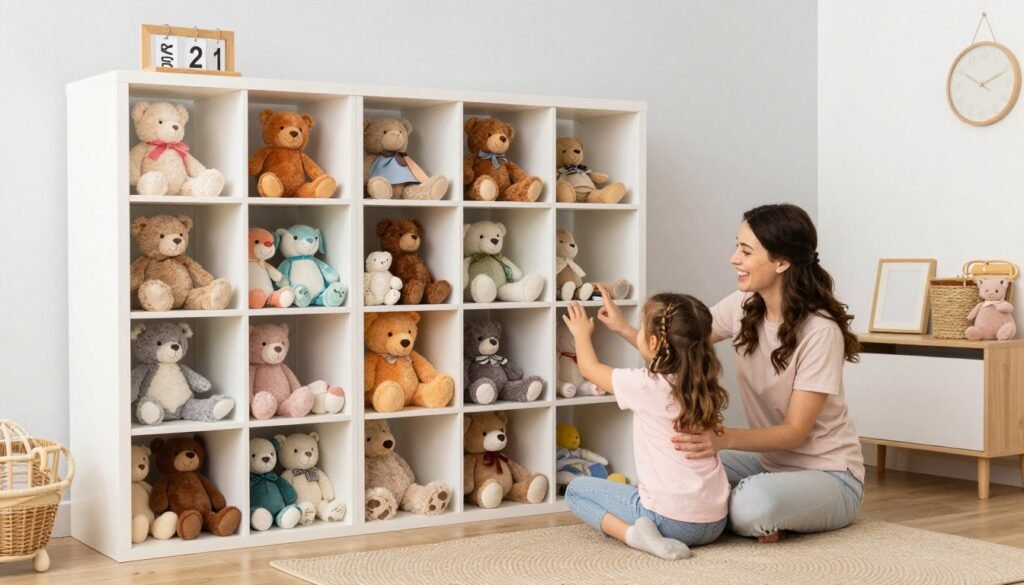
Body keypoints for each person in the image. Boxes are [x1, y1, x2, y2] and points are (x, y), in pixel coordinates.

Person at [601, 203, 864, 543]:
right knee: (677, 472)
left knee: (749, 504)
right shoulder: (744, 306)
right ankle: (760, 513)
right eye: (737, 247)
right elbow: (677, 346)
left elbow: (795, 432)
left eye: (746, 251)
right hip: (769, 464)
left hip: (829, 474)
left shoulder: (820, 331)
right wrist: (623, 328)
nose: (733, 259)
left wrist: (721, 438)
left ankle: (764, 512)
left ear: (781, 262)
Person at [561, 293, 730, 560]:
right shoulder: (702, 384)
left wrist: (581, 333)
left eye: (641, 328)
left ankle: (634, 536)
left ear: (653, 342)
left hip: (672, 523)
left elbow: (589, 368)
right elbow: (659, 351)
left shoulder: (646, 385)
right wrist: (622, 327)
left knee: (576, 491)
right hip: (715, 521)